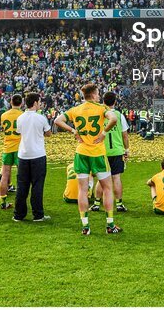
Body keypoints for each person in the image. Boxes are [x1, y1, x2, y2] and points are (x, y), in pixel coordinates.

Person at [54, 83, 121, 235]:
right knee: (107, 188)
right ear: (93, 94)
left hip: (81, 153)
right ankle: (110, 225)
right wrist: (103, 133)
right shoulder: (101, 108)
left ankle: (85, 227)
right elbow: (113, 119)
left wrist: (73, 131)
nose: (99, 96)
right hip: (97, 153)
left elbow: (57, 120)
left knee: (83, 191)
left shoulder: (76, 110)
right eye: (98, 94)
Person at [13, 92, 52, 222]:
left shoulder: (21, 117)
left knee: (22, 185)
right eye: (39, 102)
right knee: (37, 185)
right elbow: (48, 133)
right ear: (35, 103)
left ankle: (19, 214)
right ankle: (38, 214)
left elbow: (19, 132)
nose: (40, 104)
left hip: (23, 154)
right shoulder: (40, 118)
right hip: (38, 154)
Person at [102, 91, 130, 212]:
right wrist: (127, 149)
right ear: (115, 102)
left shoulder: (100, 115)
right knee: (116, 177)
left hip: (102, 151)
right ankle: (119, 204)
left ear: (103, 102)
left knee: (102, 177)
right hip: (117, 150)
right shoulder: (119, 115)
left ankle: (97, 203)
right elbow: (125, 135)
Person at [0, 94, 23, 210]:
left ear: (10, 102)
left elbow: (3, 128)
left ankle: (3, 201)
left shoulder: (4, 115)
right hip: (20, 148)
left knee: (5, 175)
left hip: (7, 147)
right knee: (21, 175)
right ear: (21, 103)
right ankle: (20, 201)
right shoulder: (22, 115)